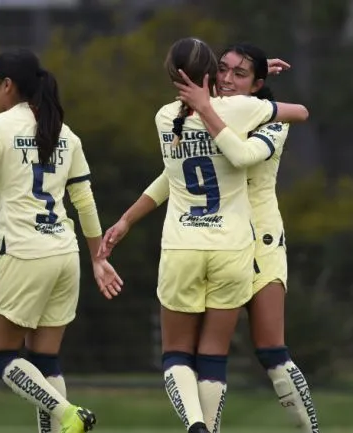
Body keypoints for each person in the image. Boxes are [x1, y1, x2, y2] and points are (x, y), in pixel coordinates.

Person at [97, 38, 309, 433]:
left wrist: (210, 102)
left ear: (259, 82)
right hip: (229, 242)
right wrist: (127, 219)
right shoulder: (236, 109)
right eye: (223, 69)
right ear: (211, 73)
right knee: (218, 353)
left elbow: (241, 155)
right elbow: (173, 177)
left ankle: (305, 429)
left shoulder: (246, 117)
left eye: (240, 73)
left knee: (270, 350)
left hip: (254, 240)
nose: (228, 78)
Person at [0, 47, 122, 433]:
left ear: (8, 85)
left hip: (23, 254)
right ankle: (64, 418)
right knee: (45, 361)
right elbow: (84, 203)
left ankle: (70, 413)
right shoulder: (65, 134)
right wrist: (97, 259)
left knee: (0, 355)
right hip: (65, 254)